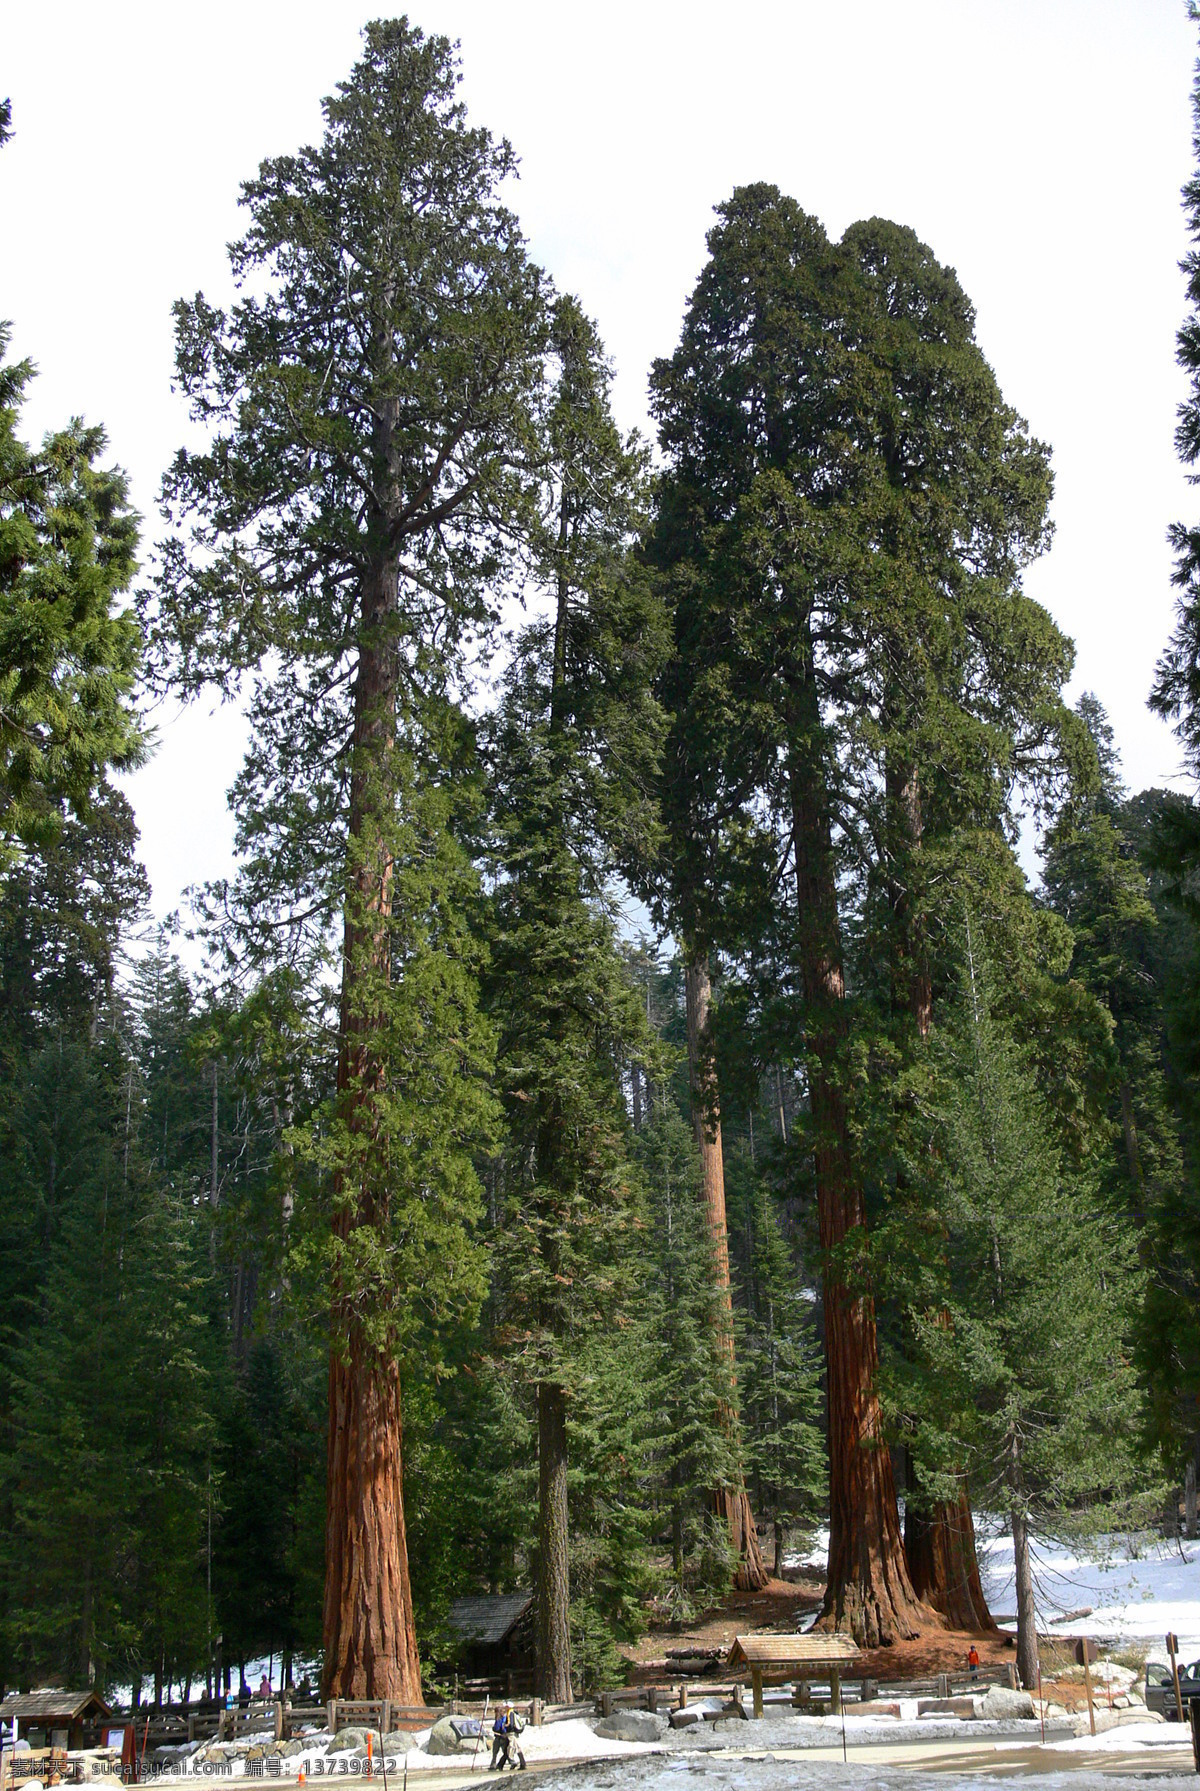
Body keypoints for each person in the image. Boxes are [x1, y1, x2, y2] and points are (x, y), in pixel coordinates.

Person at [489, 1706, 526, 1772]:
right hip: (506, 1735)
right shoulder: (508, 1715)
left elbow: (498, 1728)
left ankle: (510, 1763)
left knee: (506, 1751)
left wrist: (495, 1728)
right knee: (507, 1750)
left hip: (505, 1736)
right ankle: (502, 1764)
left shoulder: (508, 1715)